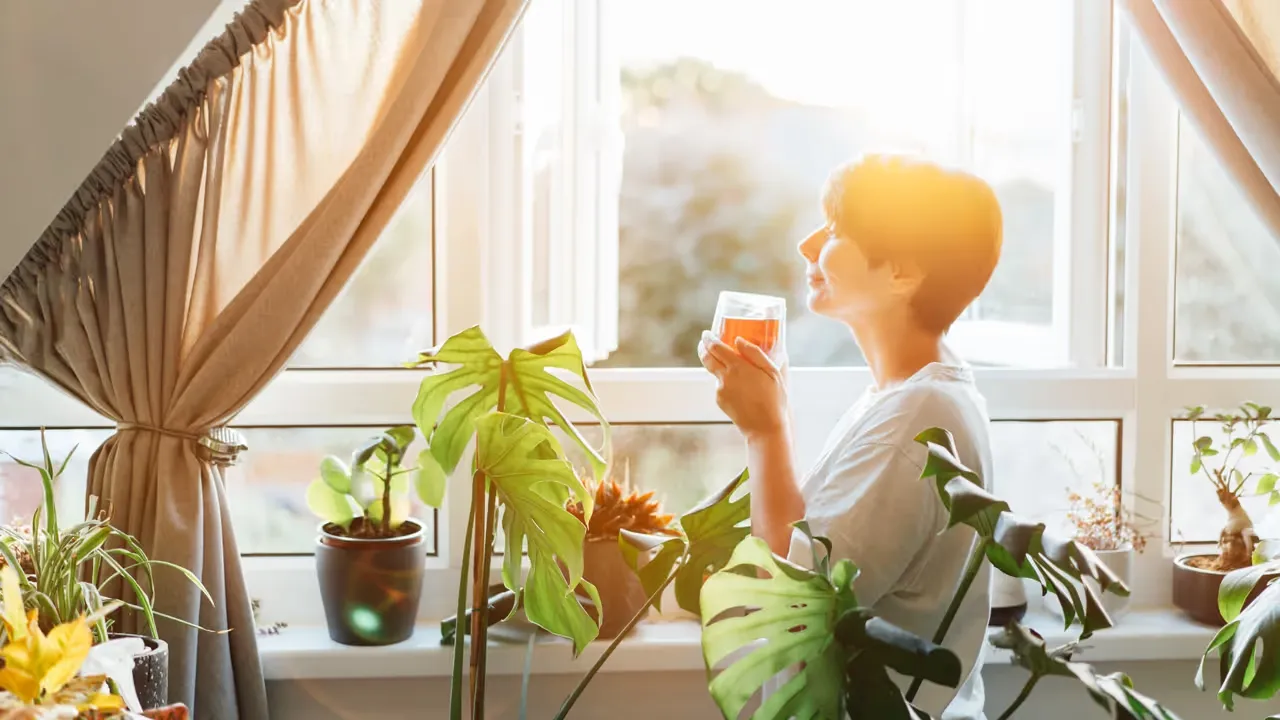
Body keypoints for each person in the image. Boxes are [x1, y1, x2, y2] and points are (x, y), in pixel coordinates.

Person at [698, 154, 1001, 719]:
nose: (808, 245)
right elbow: (807, 554)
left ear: (903, 271)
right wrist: (772, 412)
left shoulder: (915, 420)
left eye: (837, 230)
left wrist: (765, 432)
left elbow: (792, 604)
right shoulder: (913, 394)